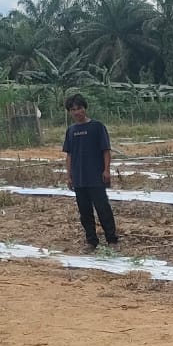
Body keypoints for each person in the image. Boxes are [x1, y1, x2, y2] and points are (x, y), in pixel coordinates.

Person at [62, 94, 119, 252]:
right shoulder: (71, 131)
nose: (76, 112)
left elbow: (105, 151)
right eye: (73, 109)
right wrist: (69, 176)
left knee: (103, 209)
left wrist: (106, 170)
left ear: (85, 108)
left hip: (96, 176)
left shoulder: (97, 127)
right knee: (85, 212)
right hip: (79, 178)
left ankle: (112, 239)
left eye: (79, 108)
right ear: (69, 112)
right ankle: (91, 241)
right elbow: (69, 155)